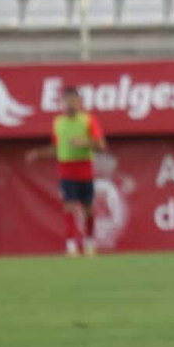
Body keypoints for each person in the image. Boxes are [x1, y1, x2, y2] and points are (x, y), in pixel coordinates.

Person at [25, 85, 105, 257]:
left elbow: (101, 145)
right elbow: (56, 148)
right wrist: (38, 153)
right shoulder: (58, 123)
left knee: (87, 208)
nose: (70, 104)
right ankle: (71, 246)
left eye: (73, 100)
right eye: (67, 101)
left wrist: (84, 142)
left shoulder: (88, 120)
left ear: (79, 102)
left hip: (84, 168)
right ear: (62, 102)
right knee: (69, 206)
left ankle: (89, 243)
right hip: (66, 169)